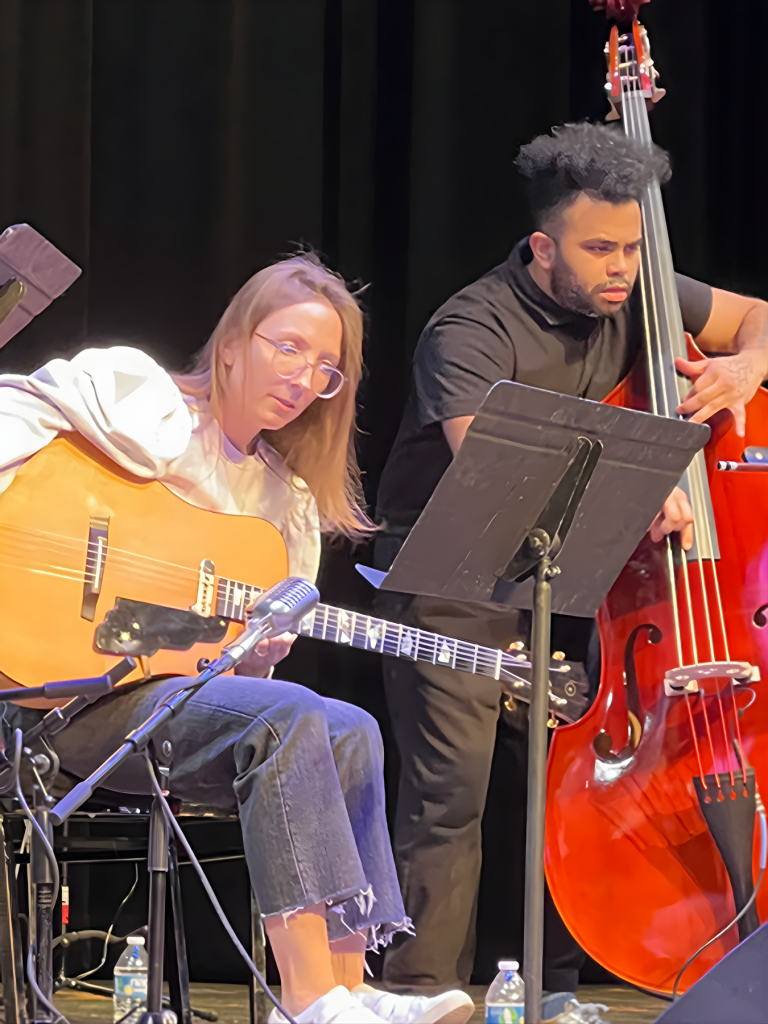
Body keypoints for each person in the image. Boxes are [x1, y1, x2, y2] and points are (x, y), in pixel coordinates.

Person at [0, 254, 475, 1024]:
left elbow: (215, 663)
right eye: (287, 347)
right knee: (285, 718)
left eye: (325, 368)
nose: (302, 376)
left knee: (351, 726)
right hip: (60, 697)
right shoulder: (144, 406)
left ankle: (348, 989)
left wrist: (253, 652)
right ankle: (308, 997)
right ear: (232, 343)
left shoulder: (284, 503)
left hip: (169, 703)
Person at [374, 122, 768, 995]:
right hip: (452, 581)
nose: (622, 268)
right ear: (545, 245)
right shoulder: (469, 328)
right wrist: (629, 494)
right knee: (452, 799)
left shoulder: (636, 292)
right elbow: (498, 469)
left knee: (558, 798)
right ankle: (414, 996)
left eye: (631, 247)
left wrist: (746, 370)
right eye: (600, 250)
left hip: (570, 574)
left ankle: (549, 994)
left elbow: (757, 319)